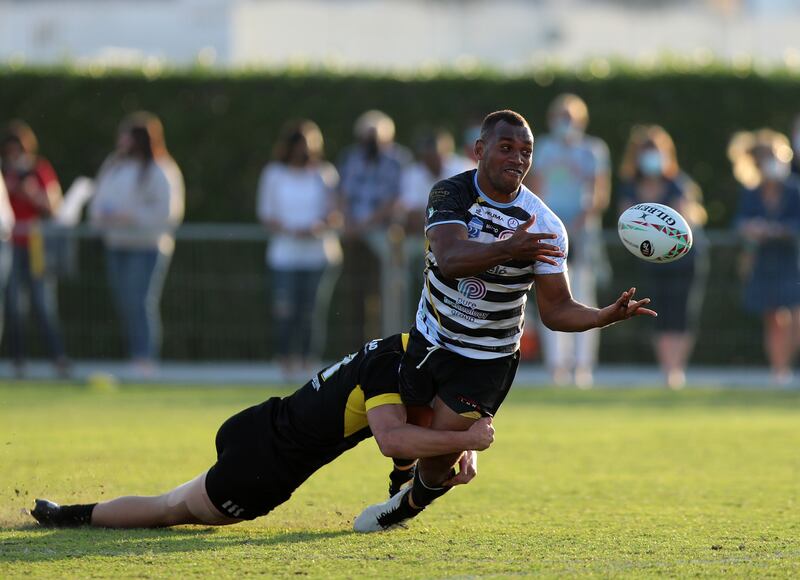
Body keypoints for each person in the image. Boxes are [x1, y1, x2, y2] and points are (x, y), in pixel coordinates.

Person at [354, 110, 656, 533]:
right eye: (507, 148)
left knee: (439, 460)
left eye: (526, 152)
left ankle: (405, 508)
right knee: (408, 433)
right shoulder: (450, 193)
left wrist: (604, 315)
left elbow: (556, 311)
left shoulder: (547, 225)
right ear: (480, 150)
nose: (518, 158)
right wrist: (510, 248)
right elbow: (450, 259)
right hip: (432, 336)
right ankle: (399, 479)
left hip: (487, 360)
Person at [29, 333, 491, 528]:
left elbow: (408, 425)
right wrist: (464, 441)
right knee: (168, 509)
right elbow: (394, 438)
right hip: (264, 469)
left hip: (257, 423)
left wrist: (403, 480)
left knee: (171, 500)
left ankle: (66, 513)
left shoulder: (402, 348)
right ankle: (67, 516)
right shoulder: (394, 370)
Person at [88, 112, 184, 374]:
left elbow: (167, 212)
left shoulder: (162, 169)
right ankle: (133, 355)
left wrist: (132, 217)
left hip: (147, 246)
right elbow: (97, 201)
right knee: (124, 302)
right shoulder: (114, 166)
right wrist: (104, 219)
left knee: (141, 302)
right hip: (117, 244)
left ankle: (144, 358)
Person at [525, 94, 611, 387]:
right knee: (552, 298)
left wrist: (577, 223)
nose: (566, 123)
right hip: (550, 234)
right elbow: (535, 191)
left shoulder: (593, 150)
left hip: (583, 235)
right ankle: (557, 367)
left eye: (571, 117)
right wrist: (553, 227)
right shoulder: (544, 149)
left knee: (584, 299)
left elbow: (599, 194)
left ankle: (583, 366)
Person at [618, 125, 709, 389]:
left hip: (685, 260)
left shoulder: (678, 184)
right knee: (658, 313)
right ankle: (666, 370)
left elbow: (688, 221)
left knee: (682, 312)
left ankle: (676, 371)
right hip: (651, 260)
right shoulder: (630, 187)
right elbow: (625, 223)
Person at [257, 120, 342, 378]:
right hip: (284, 255)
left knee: (310, 312)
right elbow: (266, 213)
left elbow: (336, 213)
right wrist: (289, 228)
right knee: (285, 310)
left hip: (318, 255)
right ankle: (285, 361)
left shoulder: (325, 174)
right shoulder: (274, 174)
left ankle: (308, 362)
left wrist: (319, 226)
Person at [729, 129, 800, 385]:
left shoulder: (794, 190)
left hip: (792, 260)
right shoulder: (751, 192)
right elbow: (739, 222)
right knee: (773, 318)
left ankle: (787, 364)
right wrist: (751, 228)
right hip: (763, 261)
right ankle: (779, 372)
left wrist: (780, 230)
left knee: (796, 317)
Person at [0, 121, 69, 377]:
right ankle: (18, 360)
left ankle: (58, 357)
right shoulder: (3, 172)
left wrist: (30, 193)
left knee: (43, 302)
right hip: (10, 246)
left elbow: (53, 207)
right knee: (14, 304)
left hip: (37, 246)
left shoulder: (39, 170)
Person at [337, 110, 410, 343]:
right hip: (353, 237)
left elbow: (399, 197)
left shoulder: (399, 160)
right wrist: (349, 221)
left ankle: (384, 346)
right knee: (355, 294)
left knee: (384, 295)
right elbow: (341, 193)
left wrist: (368, 223)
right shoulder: (350, 157)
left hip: (383, 237)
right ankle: (355, 347)